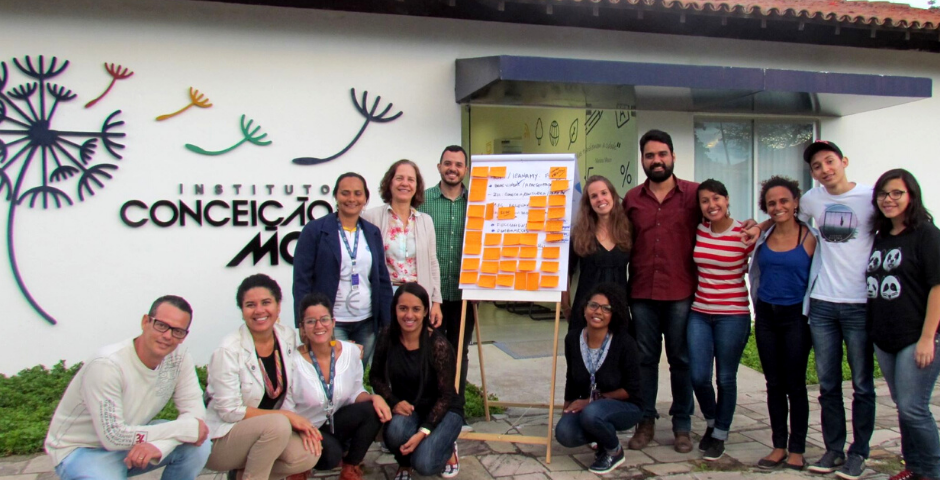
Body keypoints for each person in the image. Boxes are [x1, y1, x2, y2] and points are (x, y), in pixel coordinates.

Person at [45, 295, 211, 480]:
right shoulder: (107, 365)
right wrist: (184, 429)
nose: (167, 336)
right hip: (84, 449)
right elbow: (113, 436)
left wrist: (160, 445)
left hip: (132, 438)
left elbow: (195, 416)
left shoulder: (178, 357)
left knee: (198, 446)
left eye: (177, 331)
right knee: (189, 433)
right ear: (145, 322)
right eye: (161, 325)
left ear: (184, 336)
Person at [796, 141, 876, 479]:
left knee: (862, 384)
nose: (825, 170)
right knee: (828, 384)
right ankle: (833, 449)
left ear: (844, 161)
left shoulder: (871, 197)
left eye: (829, 161)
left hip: (860, 304)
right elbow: (792, 224)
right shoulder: (811, 199)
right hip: (823, 304)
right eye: (817, 166)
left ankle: (859, 452)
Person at [620, 129, 699, 452]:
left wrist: (756, 227)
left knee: (681, 360)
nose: (657, 160)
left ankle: (682, 425)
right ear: (642, 160)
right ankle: (645, 421)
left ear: (673, 156)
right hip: (642, 293)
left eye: (662, 154)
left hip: (681, 291)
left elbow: (720, 219)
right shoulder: (631, 199)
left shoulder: (694, 194)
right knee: (645, 360)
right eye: (650, 155)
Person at [205, 274, 320, 480]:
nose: (259, 311)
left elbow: (290, 388)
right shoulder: (228, 350)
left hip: (269, 433)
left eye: (266, 302)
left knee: (308, 453)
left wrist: (346, 348)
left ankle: (243, 475)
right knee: (278, 425)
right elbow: (229, 411)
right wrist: (287, 417)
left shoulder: (286, 336)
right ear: (242, 311)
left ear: (278, 306)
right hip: (224, 438)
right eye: (250, 305)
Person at [866, 169, 940, 480]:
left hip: (916, 337)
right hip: (886, 338)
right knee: (903, 406)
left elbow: (938, 287)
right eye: (883, 193)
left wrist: (927, 338)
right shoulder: (882, 236)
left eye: (897, 192)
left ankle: (933, 471)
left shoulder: (927, 234)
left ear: (911, 196)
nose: (889, 199)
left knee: (913, 407)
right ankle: (914, 468)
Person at [748, 176, 819, 471]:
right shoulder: (762, 236)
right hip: (766, 315)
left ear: (795, 202)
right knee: (773, 383)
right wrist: (761, 225)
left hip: (796, 318)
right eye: (772, 203)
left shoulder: (811, 238)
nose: (778, 207)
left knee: (794, 383)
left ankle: (797, 449)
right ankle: (778, 446)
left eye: (784, 201)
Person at [284, 292, 391, 480]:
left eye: (324, 319)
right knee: (331, 455)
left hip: (334, 422)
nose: (319, 326)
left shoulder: (350, 352)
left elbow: (355, 392)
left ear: (333, 322)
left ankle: (350, 469)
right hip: (304, 429)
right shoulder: (292, 361)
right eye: (311, 321)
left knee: (372, 410)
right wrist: (301, 431)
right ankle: (298, 468)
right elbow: (287, 409)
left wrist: (375, 397)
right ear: (302, 327)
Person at [686, 179, 755, 461]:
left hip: (733, 315)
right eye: (705, 200)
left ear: (726, 200)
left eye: (716, 198)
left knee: (725, 378)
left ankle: (720, 434)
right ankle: (713, 421)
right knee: (698, 376)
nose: (711, 205)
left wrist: (759, 225)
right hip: (700, 312)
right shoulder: (699, 230)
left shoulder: (744, 234)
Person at [293, 172, 393, 365]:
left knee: (357, 372)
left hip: (366, 321)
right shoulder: (315, 231)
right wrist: (302, 322)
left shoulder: (372, 232)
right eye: (345, 193)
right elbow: (301, 281)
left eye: (357, 193)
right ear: (336, 196)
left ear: (365, 198)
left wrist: (387, 322)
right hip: (330, 321)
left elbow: (382, 279)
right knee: (333, 371)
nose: (351, 199)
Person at [370, 282, 463, 480]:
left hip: (443, 410)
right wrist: (394, 402)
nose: (409, 315)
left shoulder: (439, 345)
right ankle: (404, 464)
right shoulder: (387, 336)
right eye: (403, 308)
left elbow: (446, 396)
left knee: (425, 463)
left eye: (416, 309)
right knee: (394, 432)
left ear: (425, 311)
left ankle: (447, 448)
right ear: (395, 309)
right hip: (410, 408)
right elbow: (375, 377)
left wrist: (423, 432)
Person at [556, 283, 642, 475]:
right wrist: (567, 408)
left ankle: (614, 451)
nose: (598, 312)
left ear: (613, 314)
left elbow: (632, 390)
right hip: (593, 407)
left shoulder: (624, 343)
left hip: (626, 406)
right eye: (593, 305)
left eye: (606, 308)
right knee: (565, 432)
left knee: (592, 412)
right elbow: (571, 377)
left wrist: (590, 401)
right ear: (584, 308)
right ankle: (601, 438)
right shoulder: (573, 339)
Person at [418, 145, 475, 431]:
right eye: (448, 163)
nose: (453, 169)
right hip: (431, 296)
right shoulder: (422, 201)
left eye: (458, 164)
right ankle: (430, 412)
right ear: (439, 166)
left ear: (466, 169)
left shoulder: (477, 203)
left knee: (459, 353)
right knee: (429, 353)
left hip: (465, 293)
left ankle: (455, 412)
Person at [362, 159, 443, 324]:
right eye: (399, 178)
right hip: (385, 297)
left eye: (411, 179)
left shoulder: (426, 221)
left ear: (417, 186)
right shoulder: (371, 217)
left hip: (417, 297)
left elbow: (433, 263)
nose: (405, 183)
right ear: (389, 182)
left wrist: (436, 302)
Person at [563, 175, 632, 333]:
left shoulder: (628, 230)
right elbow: (566, 272)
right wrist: (566, 307)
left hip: (619, 313)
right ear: (588, 203)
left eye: (604, 193)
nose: (600, 199)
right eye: (594, 196)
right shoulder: (579, 234)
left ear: (612, 195)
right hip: (586, 312)